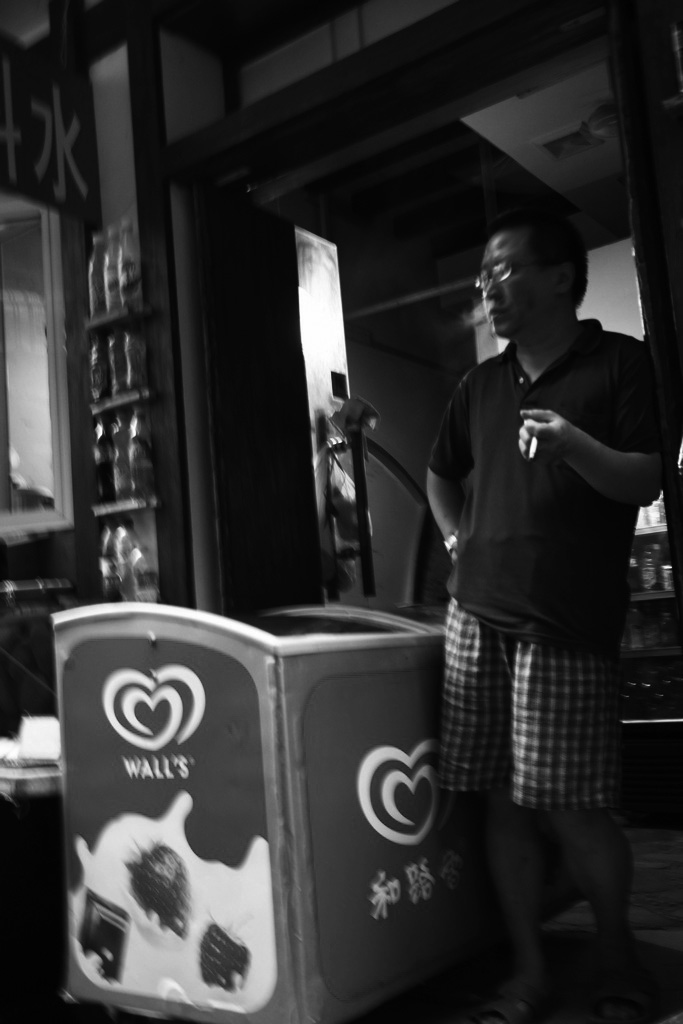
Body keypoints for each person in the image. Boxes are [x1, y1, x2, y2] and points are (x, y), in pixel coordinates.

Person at [427, 207, 662, 1024]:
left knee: (572, 808)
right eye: (482, 275)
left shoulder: (620, 363)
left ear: (560, 277)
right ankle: (527, 972)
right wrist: (454, 537)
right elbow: (440, 473)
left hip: (562, 620)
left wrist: (573, 445)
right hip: (474, 617)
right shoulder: (479, 384)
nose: (488, 288)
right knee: (500, 802)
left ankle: (617, 956)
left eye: (504, 269)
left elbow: (645, 478)